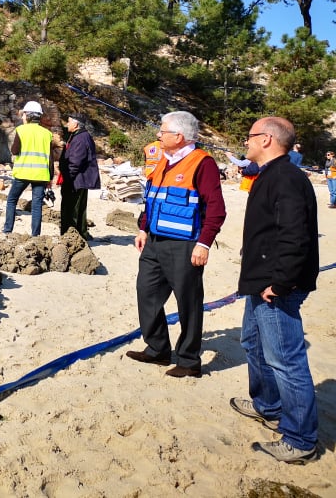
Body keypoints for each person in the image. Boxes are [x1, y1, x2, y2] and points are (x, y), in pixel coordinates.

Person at [229, 117, 319, 464]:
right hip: (261, 280)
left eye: (249, 137)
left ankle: (299, 439)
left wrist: (280, 283)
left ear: (266, 139)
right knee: (252, 343)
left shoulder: (286, 178)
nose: (245, 143)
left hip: (276, 285)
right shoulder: (270, 175)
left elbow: (295, 236)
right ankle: (268, 405)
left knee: (286, 360)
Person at [126, 111, 226, 378]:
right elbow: (151, 199)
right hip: (154, 243)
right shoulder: (162, 161)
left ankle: (189, 360)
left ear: (179, 136)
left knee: (189, 303)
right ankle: (157, 349)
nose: (158, 135)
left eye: (163, 131)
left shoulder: (202, 163)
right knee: (146, 293)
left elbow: (216, 208)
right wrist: (143, 228)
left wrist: (204, 244)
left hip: (185, 246)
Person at [3, 100, 54, 235]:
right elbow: (51, 158)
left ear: (28, 116)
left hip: (23, 173)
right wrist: (50, 177)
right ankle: (35, 235)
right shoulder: (47, 133)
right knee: (37, 205)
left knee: (12, 200)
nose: (23, 117)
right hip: (41, 175)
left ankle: (8, 230)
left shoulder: (21, 130)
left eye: (24, 114)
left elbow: (14, 151)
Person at [57, 113, 100, 237]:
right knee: (79, 208)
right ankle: (81, 233)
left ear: (75, 124)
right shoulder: (81, 136)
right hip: (80, 179)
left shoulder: (80, 138)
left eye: (69, 122)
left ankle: (69, 236)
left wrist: (68, 178)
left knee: (70, 209)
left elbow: (75, 161)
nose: (66, 124)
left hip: (76, 180)